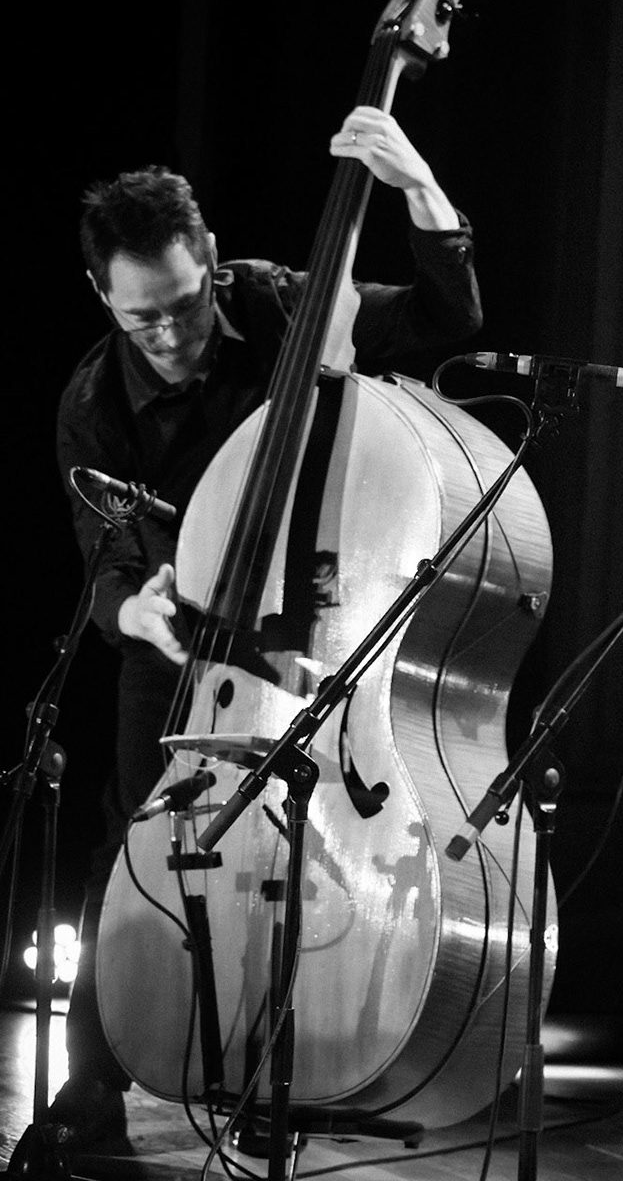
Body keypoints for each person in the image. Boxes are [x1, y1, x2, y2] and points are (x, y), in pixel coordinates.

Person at [48, 107, 483, 1147]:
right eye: (143, 317)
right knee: (139, 839)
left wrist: (421, 190)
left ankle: (286, 1060)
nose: (171, 334)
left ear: (209, 262)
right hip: (184, 640)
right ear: (103, 296)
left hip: (320, 629)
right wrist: (132, 608)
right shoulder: (92, 398)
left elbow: (440, 319)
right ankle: (92, 1084)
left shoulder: (289, 304)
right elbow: (105, 561)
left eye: (187, 305)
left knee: (316, 851)